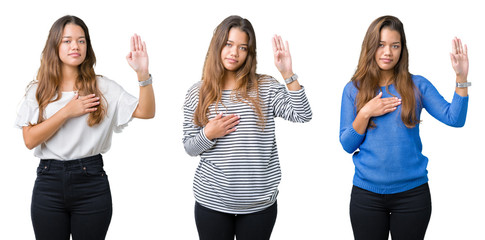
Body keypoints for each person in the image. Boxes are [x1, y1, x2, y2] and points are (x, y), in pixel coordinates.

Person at [15, 15, 155, 240]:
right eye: (67, 40)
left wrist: (142, 74)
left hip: (91, 183)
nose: (75, 46)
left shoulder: (103, 87)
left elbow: (146, 112)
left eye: (81, 41)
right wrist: (68, 111)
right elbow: (29, 140)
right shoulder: (38, 91)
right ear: (55, 46)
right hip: (48, 184)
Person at [339, 15, 469, 240]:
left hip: (412, 196)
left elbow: (454, 118)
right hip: (366, 196)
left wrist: (461, 78)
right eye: (381, 45)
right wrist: (366, 112)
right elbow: (347, 144)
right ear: (370, 47)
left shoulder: (417, 85)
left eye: (394, 45)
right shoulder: (353, 89)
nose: (387, 52)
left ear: (402, 49)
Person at [182, 15, 312, 240]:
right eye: (229, 44)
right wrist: (208, 133)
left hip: (259, 205)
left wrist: (287, 73)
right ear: (218, 45)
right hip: (212, 201)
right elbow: (189, 147)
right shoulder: (198, 92)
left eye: (243, 48)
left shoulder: (266, 87)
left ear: (250, 53)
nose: (234, 53)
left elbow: (302, 114)